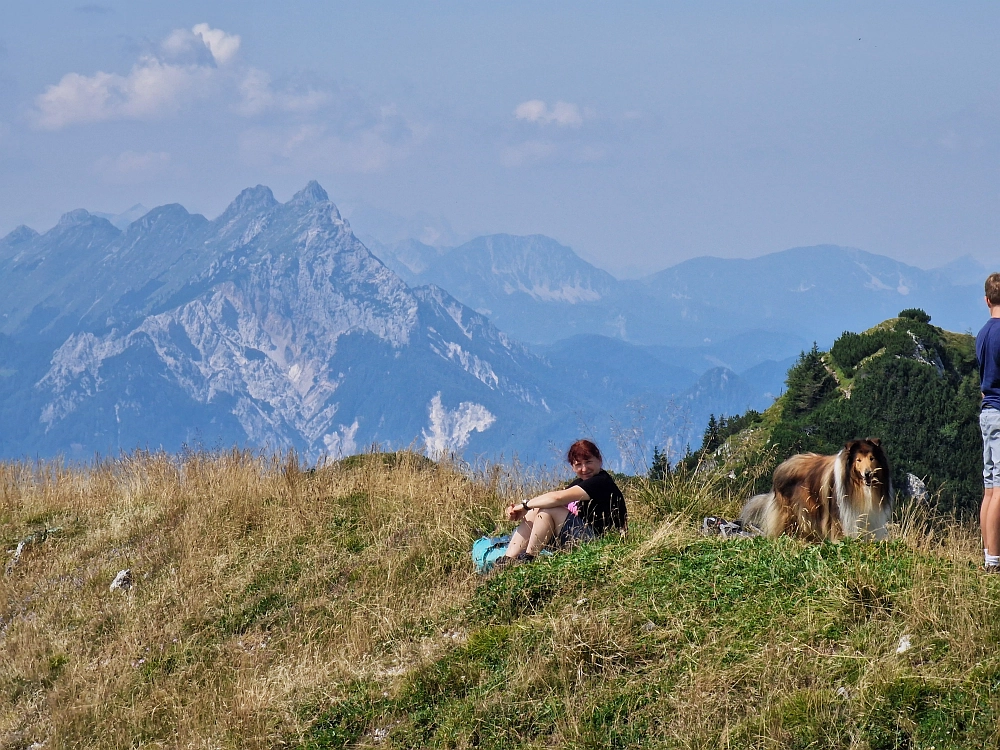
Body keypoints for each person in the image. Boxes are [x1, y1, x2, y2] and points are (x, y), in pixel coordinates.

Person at [493, 439, 627, 569]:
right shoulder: (580, 483)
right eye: (578, 464)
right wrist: (526, 508)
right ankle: (507, 560)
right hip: (580, 537)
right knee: (538, 509)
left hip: (599, 542)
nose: (584, 469)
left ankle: (528, 559)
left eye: (588, 462)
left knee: (549, 510)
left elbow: (556, 498)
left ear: (599, 460)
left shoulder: (601, 482)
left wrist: (525, 506)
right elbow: (550, 501)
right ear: (572, 466)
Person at [978, 273, 1000, 572]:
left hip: (988, 412)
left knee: (990, 488)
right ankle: (995, 561)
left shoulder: (983, 333)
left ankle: (988, 554)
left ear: (987, 300)